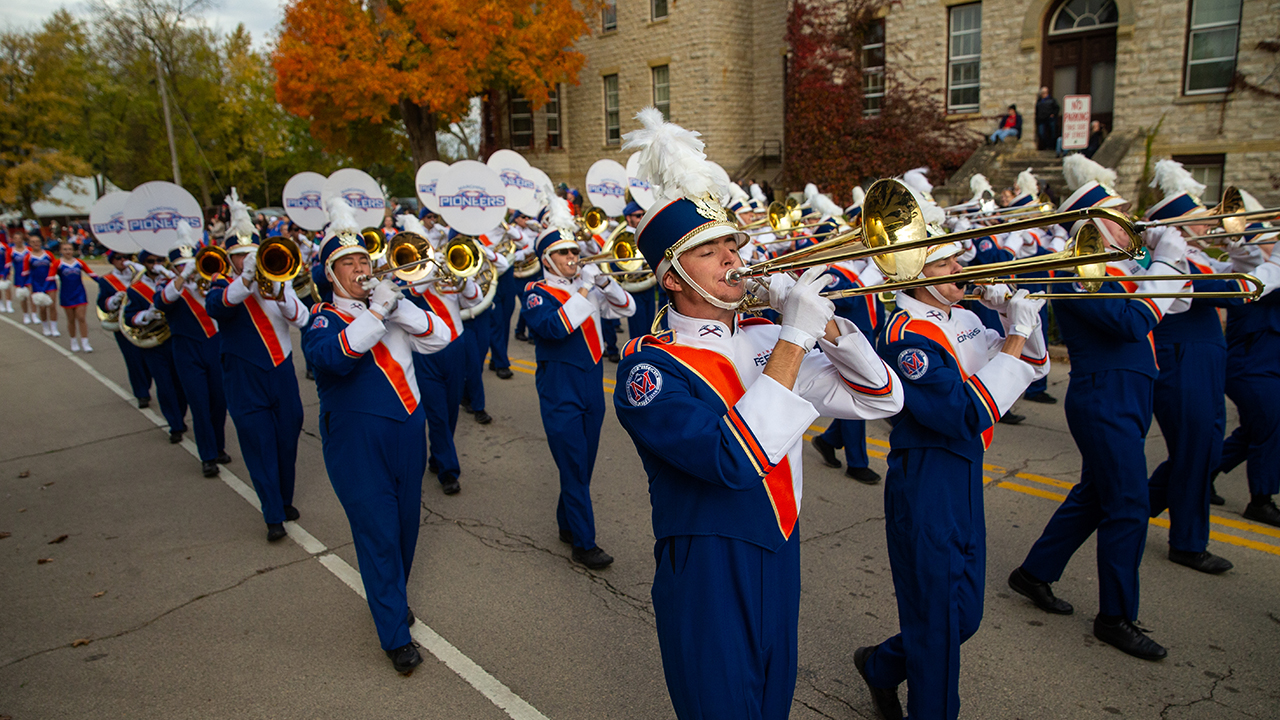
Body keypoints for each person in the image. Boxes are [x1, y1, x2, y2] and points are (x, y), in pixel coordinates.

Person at [613, 108, 903, 720]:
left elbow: (881, 397)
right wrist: (794, 341)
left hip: (780, 546)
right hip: (708, 561)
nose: (732, 258)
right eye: (710, 250)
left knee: (771, 703)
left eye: (731, 243)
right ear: (670, 277)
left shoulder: (766, 337)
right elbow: (731, 459)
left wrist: (826, 328)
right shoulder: (649, 370)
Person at [855, 239, 1049, 720]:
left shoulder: (962, 317)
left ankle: (881, 665)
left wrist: (1018, 322)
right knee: (938, 624)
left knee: (963, 614)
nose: (959, 269)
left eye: (955, 259)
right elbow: (964, 415)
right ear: (914, 274)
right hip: (927, 476)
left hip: (965, 471)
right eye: (942, 263)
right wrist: (1014, 337)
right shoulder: (905, 335)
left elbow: (1032, 368)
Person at [1010, 156, 1190, 661]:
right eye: (1118, 217)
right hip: (1104, 395)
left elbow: (1182, 302)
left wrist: (1167, 262)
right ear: (1093, 223)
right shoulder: (1076, 270)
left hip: (1128, 392)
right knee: (1129, 505)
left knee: (1096, 494)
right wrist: (1167, 267)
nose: (1129, 224)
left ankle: (1034, 573)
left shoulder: (1119, 267)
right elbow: (1133, 324)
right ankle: (1115, 617)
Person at [301, 209, 452, 675]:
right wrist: (378, 311)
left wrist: (399, 305)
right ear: (331, 273)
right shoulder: (322, 318)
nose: (362, 269)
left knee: (406, 528)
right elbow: (334, 359)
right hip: (357, 439)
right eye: (349, 263)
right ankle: (393, 633)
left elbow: (440, 338)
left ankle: (391, 596)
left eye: (364, 259)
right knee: (378, 534)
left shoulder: (391, 304)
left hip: (407, 429)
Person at [523, 192, 636, 569]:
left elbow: (628, 308)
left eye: (574, 253)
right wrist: (586, 289)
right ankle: (584, 543)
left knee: (582, 464)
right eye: (564, 255)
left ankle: (566, 523)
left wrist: (606, 283)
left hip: (591, 384)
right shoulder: (537, 294)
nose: (573, 259)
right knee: (573, 464)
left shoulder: (583, 287)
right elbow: (556, 328)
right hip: (559, 387)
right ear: (546, 260)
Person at [205, 191, 309, 542]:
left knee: (287, 434)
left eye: (253, 254)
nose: (248, 260)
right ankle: (272, 512)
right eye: (240, 256)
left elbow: (304, 318)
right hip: (243, 373)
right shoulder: (221, 283)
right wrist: (246, 280)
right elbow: (218, 307)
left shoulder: (279, 279)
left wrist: (280, 293)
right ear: (230, 258)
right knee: (258, 441)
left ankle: (283, 498)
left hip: (280, 371)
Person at [398, 213, 485, 496]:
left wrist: (463, 277)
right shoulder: (410, 274)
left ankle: (438, 456)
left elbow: (475, 300)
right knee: (436, 412)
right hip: (424, 351)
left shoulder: (449, 268)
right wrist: (428, 269)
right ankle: (449, 471)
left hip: (455, 346)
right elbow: (415, 290)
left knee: (449, 411)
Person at [155, 236, 231, 478]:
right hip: (186, 349)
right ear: (174, 267)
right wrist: (182, 278)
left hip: (214, 345)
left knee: (219, 401)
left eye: (190, 263)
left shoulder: (210, 283)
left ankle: (218, 446)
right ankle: (207, 456)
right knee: (199, 403)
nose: (188, 268)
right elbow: (162, 302)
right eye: (181, 265)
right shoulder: (168, 286)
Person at [123, 251, 189, 443]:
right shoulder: (135, 289)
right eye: (151, 261)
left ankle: (180, 416)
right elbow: (129, 317)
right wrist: (146, 316)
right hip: (153, 342)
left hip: (175, 338)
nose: (156, 264)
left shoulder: (173, 280)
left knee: (180, 383)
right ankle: (174, 424)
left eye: (159, 260)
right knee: (164, 383)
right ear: (144, 263)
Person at [96, 252, 153, 407]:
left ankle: (146, 384)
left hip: (144, 322)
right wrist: (113, 300)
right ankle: (142, 393)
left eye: (126, 257)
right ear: (112, 261)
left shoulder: (140, 275)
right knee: (133, 359)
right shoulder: (107, 280)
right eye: (119, 258)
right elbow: (102, 304)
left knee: (148, 358)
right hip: (123, 324)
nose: (123, 261)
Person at [48, 241, 98, 351]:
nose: (68, 251)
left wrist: (105, 283)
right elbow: (50, 278)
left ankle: (85, 342)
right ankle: (73, 341)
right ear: (61, 251)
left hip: (80, 293)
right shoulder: (57, 263)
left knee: (81, 318)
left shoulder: (79, 262)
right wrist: (43, 291)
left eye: (69, 249)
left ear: (73, 250)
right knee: (71, 320)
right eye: (65, 249)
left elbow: (92, 274)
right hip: (66, 295)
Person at [23, 239, 58, 336]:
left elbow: (56, 266)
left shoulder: (48, 254)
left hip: (50, 283)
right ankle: (45, 327)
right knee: (42, 308)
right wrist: (24, 285)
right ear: (30, 244)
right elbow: (25, 272)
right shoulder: (28, 257)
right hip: (37, 284)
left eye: (38, 241)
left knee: (52, 305)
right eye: (33, 242)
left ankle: (54, 328)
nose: (36, 244)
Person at [1034, 87, 1059, 151]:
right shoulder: (1039, 101)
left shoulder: (1052, 100)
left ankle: (1051, 146)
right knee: (1041, 133)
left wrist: (1053, 114)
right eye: (1042, 93)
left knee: (1052, 133)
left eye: (1044, 93)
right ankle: (1045, 145)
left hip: (1050, 119)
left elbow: (1056, 108)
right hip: (1041, 119)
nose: (1043, 94)